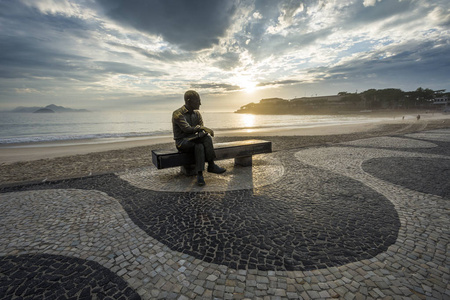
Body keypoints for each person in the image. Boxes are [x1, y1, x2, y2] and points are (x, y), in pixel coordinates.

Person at [172, 90, 226, 186]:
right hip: (182, 142)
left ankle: (206, 169)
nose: (200, 103)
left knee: (203, 142)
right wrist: (201, 128)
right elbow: (187, 129)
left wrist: (202, 131)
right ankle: (205, 170)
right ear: (188, 101)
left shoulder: (197, 114)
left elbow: (201, 129)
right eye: (197, 101)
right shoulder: (177, 114)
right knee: (201, 143)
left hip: (195, 139)